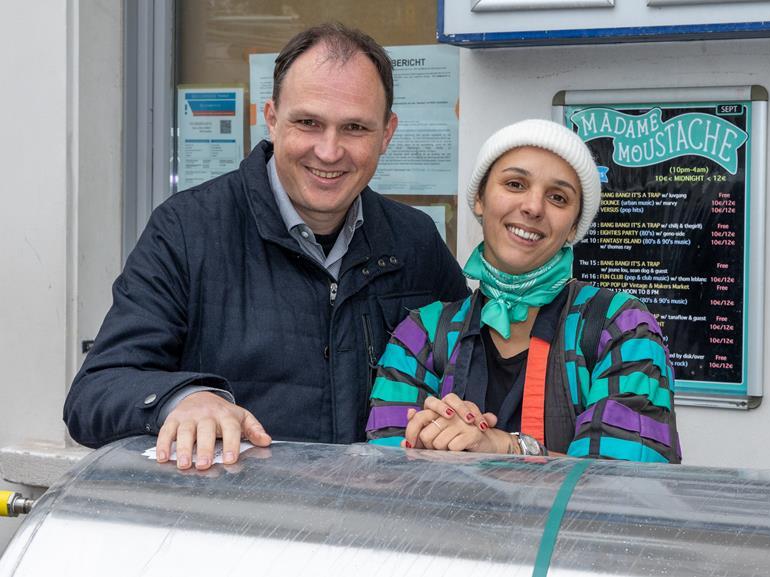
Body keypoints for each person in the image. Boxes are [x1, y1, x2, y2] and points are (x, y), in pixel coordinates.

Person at [63, 23, 468, 470]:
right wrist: (180, 399)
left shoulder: (414, 241)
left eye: (354, 127)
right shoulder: (188, 230)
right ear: (271, 118)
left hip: (371, 526)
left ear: (387, 134)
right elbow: (93, 395)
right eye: (308, 123)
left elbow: (476, 372)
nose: (329, 151)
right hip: (235, 528)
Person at [367, 119, 680, 462]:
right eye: (515, 184)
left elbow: (623, 484)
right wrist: (428, 437)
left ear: (574, 225)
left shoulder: (621, 328)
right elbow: (389, 475)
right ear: (480, 199)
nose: (533, 207)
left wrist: (505, 447)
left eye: (558, 198)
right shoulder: (420, 335)